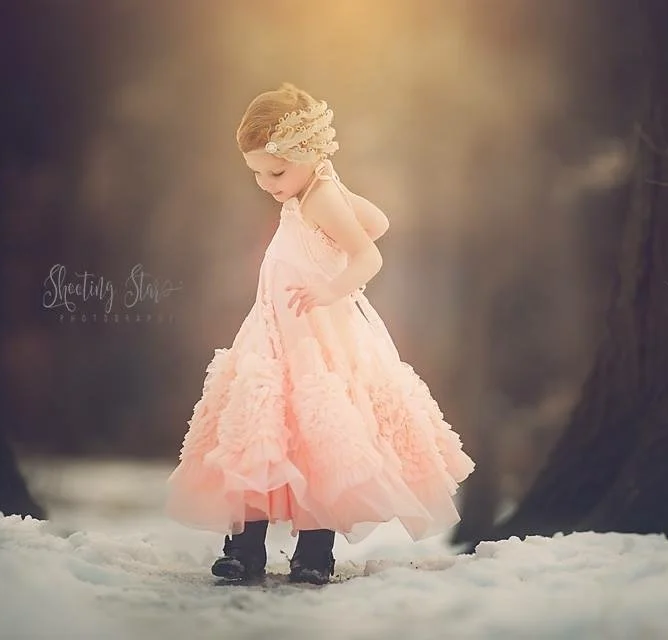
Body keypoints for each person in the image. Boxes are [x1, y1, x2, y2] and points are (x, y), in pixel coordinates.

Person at [165, 82, 475, 585]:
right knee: (264, 437)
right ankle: (244, 548)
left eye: (276, 171)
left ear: (307, 153)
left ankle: (313, 553)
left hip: (314, 337)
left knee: (320, 441)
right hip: (274, 334)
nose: (266, 183)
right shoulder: (315, 189)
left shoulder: (320, 199)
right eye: (258, 173)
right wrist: (329, 180)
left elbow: (368, 252)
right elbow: (378, 221)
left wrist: (331, 289)